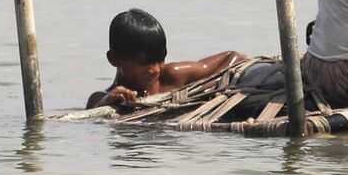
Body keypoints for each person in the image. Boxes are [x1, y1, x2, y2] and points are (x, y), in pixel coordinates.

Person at [86, 8, 246, 109]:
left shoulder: (171, 77)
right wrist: (105, 105)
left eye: (160, 59)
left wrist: (206, 88)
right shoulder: (100, 99)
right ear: (114, 59)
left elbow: (233, 57)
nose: (155, 69)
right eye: (144, 62)